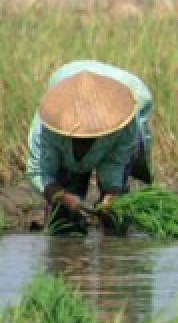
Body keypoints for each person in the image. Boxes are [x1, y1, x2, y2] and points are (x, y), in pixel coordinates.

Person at [26, 60, 154, 236]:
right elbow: (39, 171)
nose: (84, 141)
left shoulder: (125, 123)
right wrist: (62, 196)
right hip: (68, 76)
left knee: (114, 216)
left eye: (90, 137)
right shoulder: (46, 126)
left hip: (126, 91)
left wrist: (111, 193)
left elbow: (116, 161)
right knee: (63, 219)